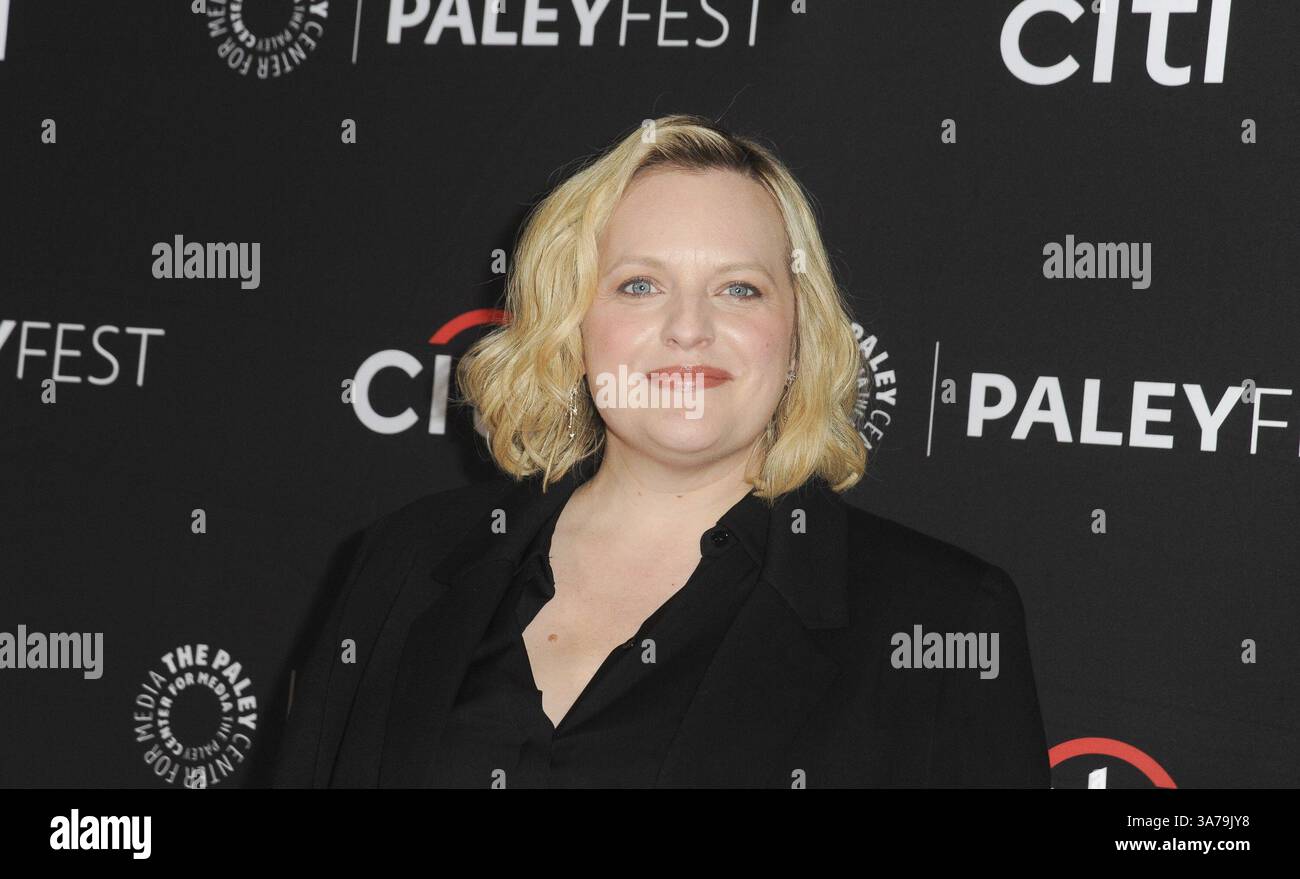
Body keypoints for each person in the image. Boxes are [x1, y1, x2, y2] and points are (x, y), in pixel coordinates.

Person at [270, 113, 1050, 788]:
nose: (688, 328)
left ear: (798, 336)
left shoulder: (939, 617)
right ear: (572, 325)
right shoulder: (407, 562)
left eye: (739, 288)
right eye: (639, 285)